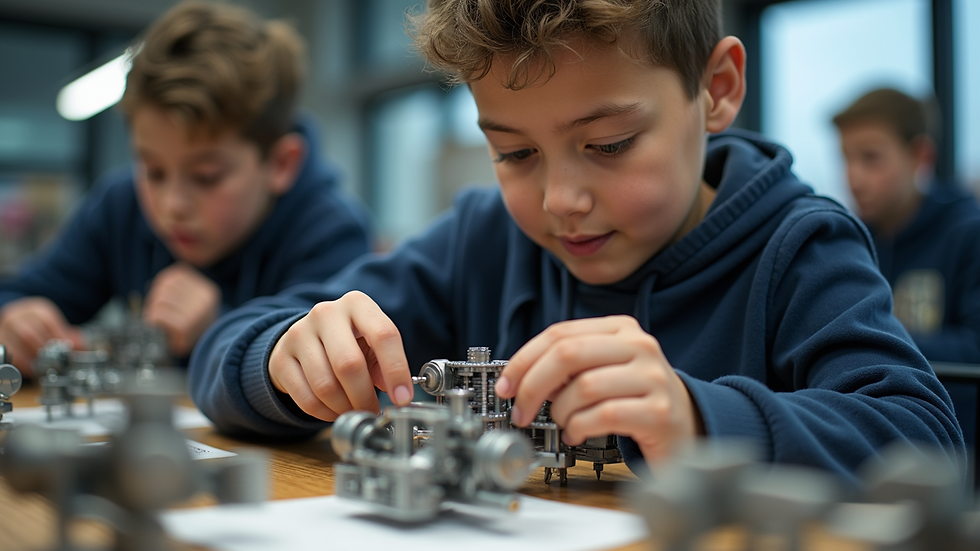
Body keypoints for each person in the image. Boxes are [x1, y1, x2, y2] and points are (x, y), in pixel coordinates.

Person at [190, 0, 963, 481]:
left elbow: (928, 445)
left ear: (716, 90)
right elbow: (221, 351)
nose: (561, 200)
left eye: (611, 143)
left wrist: (697, 419)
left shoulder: (802, 247)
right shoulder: (480, 238)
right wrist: (283, 355)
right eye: (515, 153)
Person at [0, 2, 371, 374]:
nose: (171, 205)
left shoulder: (332, 234)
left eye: (207, 176)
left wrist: (221, 327)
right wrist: (17, 319)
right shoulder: (119, 205)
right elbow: (18, 295)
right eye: (154, 171)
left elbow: (333, 372)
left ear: (280, 164)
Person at [833, 87, 980, 446]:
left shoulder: (968, 233)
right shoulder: (845, 242)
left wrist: (870, 338)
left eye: (871, 158)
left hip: (956, 453)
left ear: (921, 156)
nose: (853, 177)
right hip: (867, 443)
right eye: (845, 158)